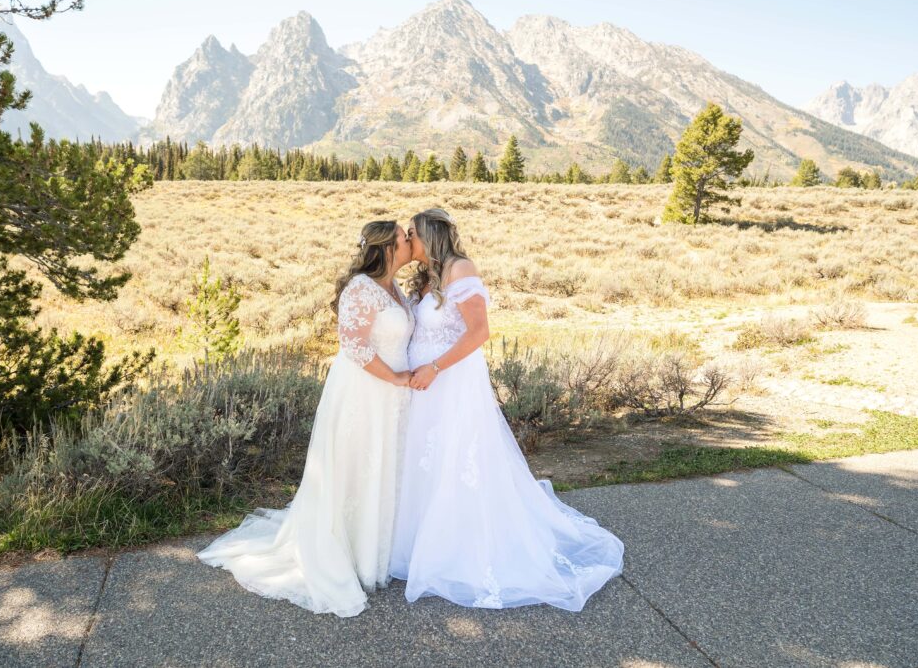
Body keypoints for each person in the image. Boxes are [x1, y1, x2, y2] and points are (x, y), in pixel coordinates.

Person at [390, 208, 624, 611]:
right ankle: (419, 538)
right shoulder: (426, 277)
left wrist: (435, 367)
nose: (407, 240)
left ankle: (460, 546)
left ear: (430, 235)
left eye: (412, 233)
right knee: (424, 460)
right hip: (423, 385)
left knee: (456, 457)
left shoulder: (461, 269)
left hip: (450, 381)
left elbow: (480, 332)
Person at [197, 220, 415, 617]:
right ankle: (345, 550)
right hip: (365, 393)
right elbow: (354, 347)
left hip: (392, 399)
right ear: (385, 248)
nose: (409, 242)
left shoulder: (394, 288)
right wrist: (398, 377)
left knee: (381, 469)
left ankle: (375, 549)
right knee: (355, 467)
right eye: (404, 238)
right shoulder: (361, 289)